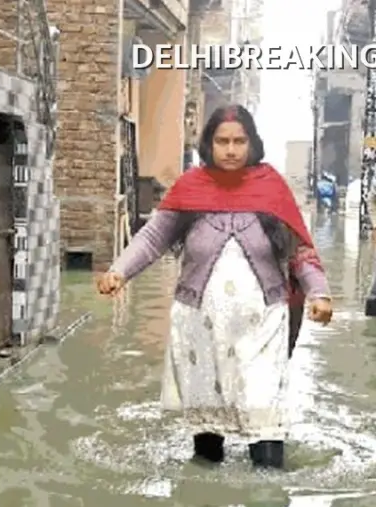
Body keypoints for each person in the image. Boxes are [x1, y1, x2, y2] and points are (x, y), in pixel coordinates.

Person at [97, 105, 333, 469]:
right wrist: (119, 272)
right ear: (209, 144)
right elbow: (153, 237)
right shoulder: (190, 188)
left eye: (239, 141)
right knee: (207, 437)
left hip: (263, 327)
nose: (231, 149)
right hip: (200, 327)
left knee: (265, 418)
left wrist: (318, 293)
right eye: (222, 141)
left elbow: (300, 252)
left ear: (253, 143)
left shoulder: (272, 189)